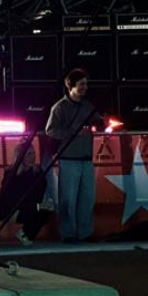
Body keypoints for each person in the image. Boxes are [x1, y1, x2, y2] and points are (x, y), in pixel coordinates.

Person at [41, 69, 102, 242]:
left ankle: (85, 233)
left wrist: (100, 124)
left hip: (86, 159)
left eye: (86, 84)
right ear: (71, 86)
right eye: (81, 84)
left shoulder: (88, 106)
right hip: (68, 159)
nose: (85, 87)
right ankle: (68, 233)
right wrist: (72, 132)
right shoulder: (60, 107)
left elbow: (98, 122)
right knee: (68, 199)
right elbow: (50, 130)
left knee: (87, 199)